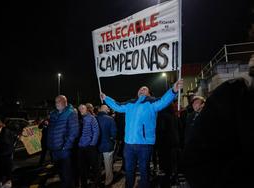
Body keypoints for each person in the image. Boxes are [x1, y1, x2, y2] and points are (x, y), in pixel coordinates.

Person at [183, 55, 254, 188]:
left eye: (198, 101)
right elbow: (195, 159)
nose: (195, 104)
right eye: (194, 102)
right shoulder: (230, 98)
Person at [100, 79, 183, 188]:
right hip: (128, 145)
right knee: (129, 171)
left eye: (144, 89)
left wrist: (173, 90)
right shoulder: (130, 103)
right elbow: (117, 106)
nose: (141, 90)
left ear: (148, 93)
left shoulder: (152, 102)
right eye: (140, 89)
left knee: (144, 171)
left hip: (144, 144)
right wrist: (106, 98)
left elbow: (164, 100)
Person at [47, 95, 79, 188]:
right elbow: (51, 129)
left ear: (65, 102)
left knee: (67, 175)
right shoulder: (54, 113)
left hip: (64, 150)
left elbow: (74, 132)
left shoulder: (71, 113)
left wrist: (66, 146)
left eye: (59, 101)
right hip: (54, 150)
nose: (56, 103)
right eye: (56, 101)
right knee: (60, 173)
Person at [78, 104, 100, 188]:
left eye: (82, 109)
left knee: (95, 167)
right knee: (82, 168)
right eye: (80, 110)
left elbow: (96, 131)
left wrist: (92, 144)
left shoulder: (92, 118)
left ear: (86, 109)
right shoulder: (79, 119)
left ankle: (96, 184)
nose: (81, 111)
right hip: (81, 147)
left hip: (90, 147)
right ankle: (84, 185)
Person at [96, 105, 117, 186]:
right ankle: (108, 181)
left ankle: (98, 180)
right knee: (108, 165)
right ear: (107, 110)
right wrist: (112, 139)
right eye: (108, 109)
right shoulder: (110, 119)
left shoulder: (95, 118)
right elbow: (114, 133)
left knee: (97, 165)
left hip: (96, 145)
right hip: (107, 144)